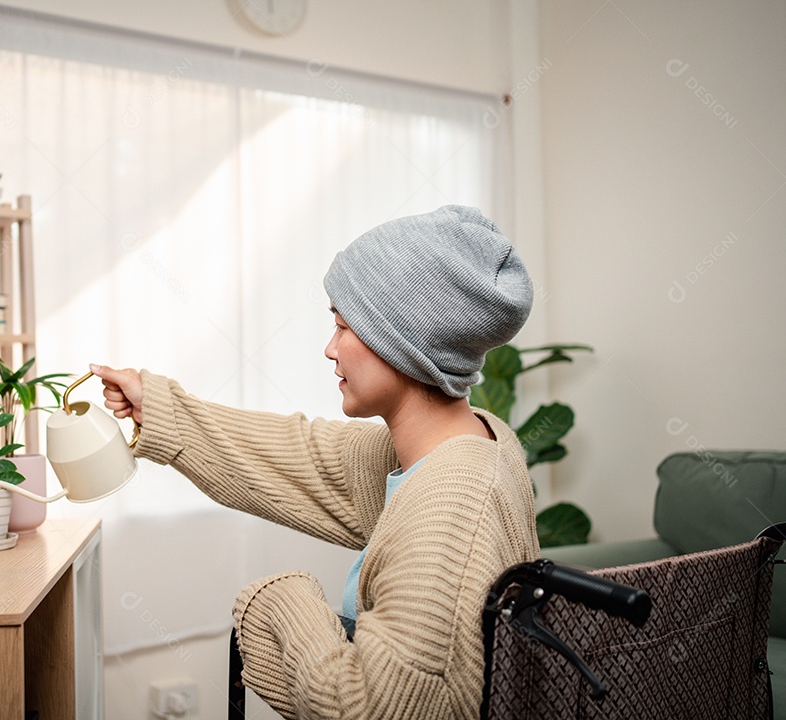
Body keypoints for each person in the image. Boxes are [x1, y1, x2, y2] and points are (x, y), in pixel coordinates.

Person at [91, 205, 540, 720]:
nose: (330, 349)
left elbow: (369, 709)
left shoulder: (452, 510)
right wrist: (161, 406)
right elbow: (302, 456)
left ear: (403, 343)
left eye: (344, 326)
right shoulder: (468, 442)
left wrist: (279, 599)